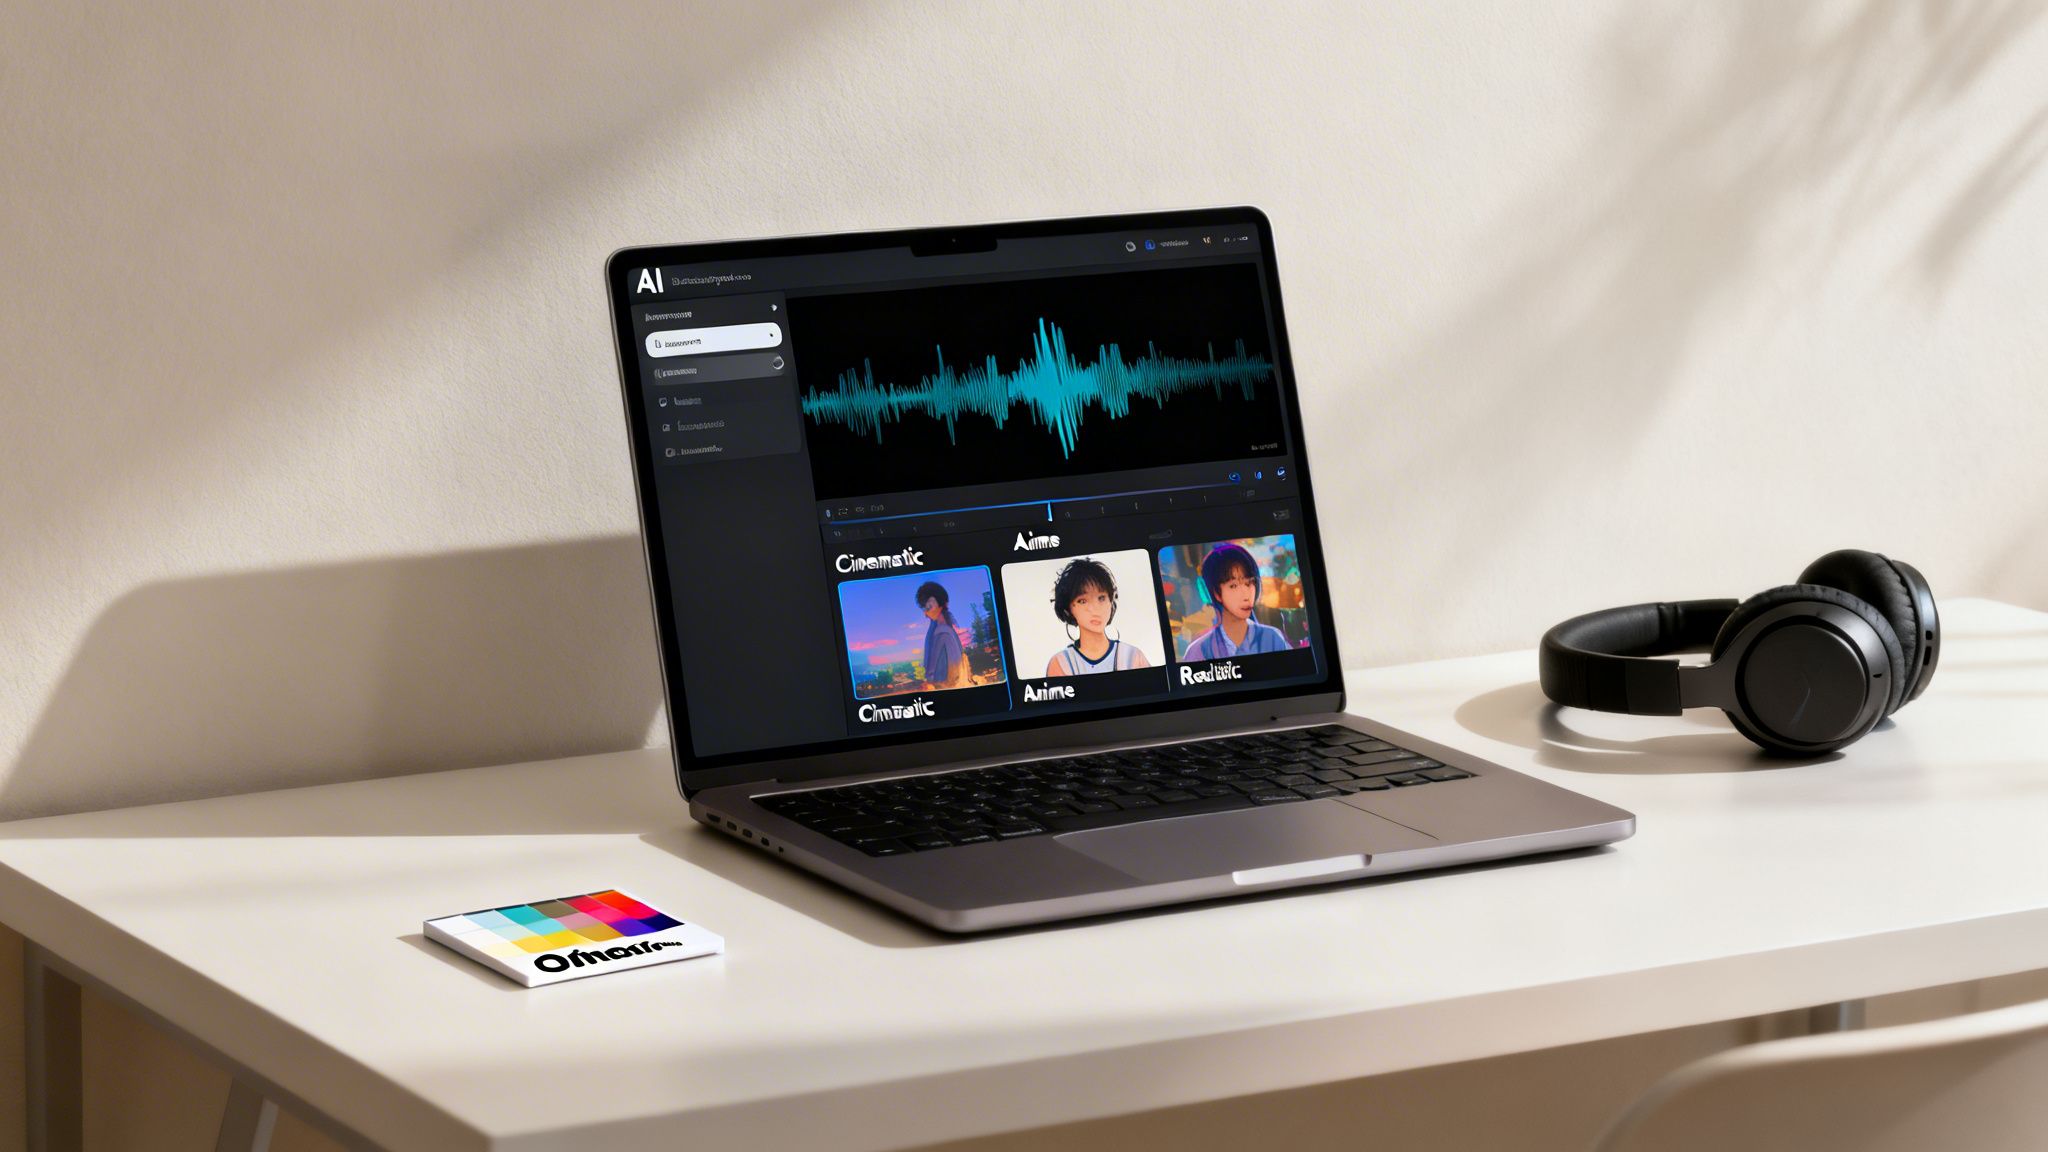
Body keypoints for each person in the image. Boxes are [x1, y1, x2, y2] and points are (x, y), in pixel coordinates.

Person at [1044, 558, 1151, 677]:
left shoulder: (1132, 657)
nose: (1095, 609)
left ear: (1111, 601)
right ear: (1069, 609)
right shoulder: (1062, 663)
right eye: (1083, 601)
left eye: (1101, 598)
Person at [1182, 543, 1289, 661]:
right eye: (1233, 586)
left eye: (1249, 583)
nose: (1246, 595)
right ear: (1217, 593)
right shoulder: (1199, 651)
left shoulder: (1272, 638)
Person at [916, 580, 973, 690]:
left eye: (928, 607)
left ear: (942, 604)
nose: (926, 614)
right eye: (924, 609)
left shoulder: (942, 632)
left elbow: (933, 664)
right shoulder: (942, 629)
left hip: (947, 685)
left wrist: (930, 680)